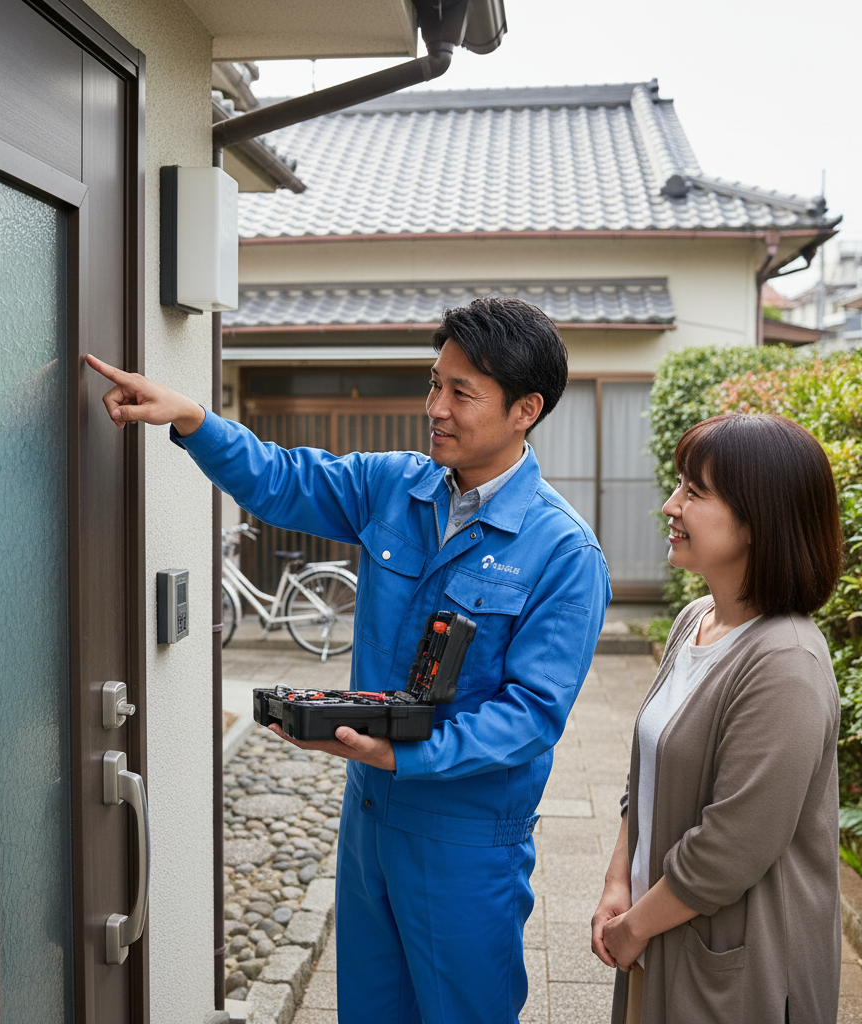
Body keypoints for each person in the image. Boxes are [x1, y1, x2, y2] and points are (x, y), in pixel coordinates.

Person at [87, 296, 611, 1024]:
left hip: (463, 837)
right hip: (369, 815)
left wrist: (407, 759)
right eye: (435, 383)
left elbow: (530, 718)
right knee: (369, 1010)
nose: (437, 406)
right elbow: (281, 479)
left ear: (525, 409)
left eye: (462, 392)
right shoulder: (393, 485)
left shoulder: (562, 552)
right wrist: (192, 419)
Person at [590, 413, 843, 1024]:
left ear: (760, 520)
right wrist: (617, 878)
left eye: (695, 492)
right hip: (660, 932)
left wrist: (633, 930)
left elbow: (732, 846)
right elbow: (645, 773)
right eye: (679, 485)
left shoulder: (785, 661)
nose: (671, 506)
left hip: (738, 968)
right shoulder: (695, 619)